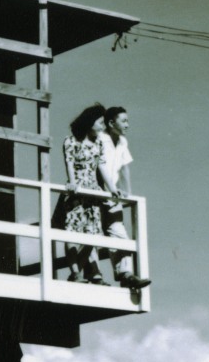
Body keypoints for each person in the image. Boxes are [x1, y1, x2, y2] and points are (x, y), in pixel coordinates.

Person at [62, 103, 123, 283]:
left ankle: (77, 271)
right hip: (77, 191)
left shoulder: (98, 144)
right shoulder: (71, 141)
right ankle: (75, 272)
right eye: (100, 123)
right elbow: (69, 163)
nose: (103, 127)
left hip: (93, 193)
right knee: (72, 232)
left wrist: (112, 188)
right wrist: (72, 183)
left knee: (93, 234)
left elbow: (102, 166)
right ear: (90, 122)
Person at [99, 106, 151, 289]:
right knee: (90, 234)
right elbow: (98, 165)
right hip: (97, 193)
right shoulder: (100, 138)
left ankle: (126, 274)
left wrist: (127, 193)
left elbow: (124, 168)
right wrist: (111, 189)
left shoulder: (122, 141)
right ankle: (93, 275)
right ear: (111, 123)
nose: (127, 125)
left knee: (120, 234)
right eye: (124, 121)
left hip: (113, 196)